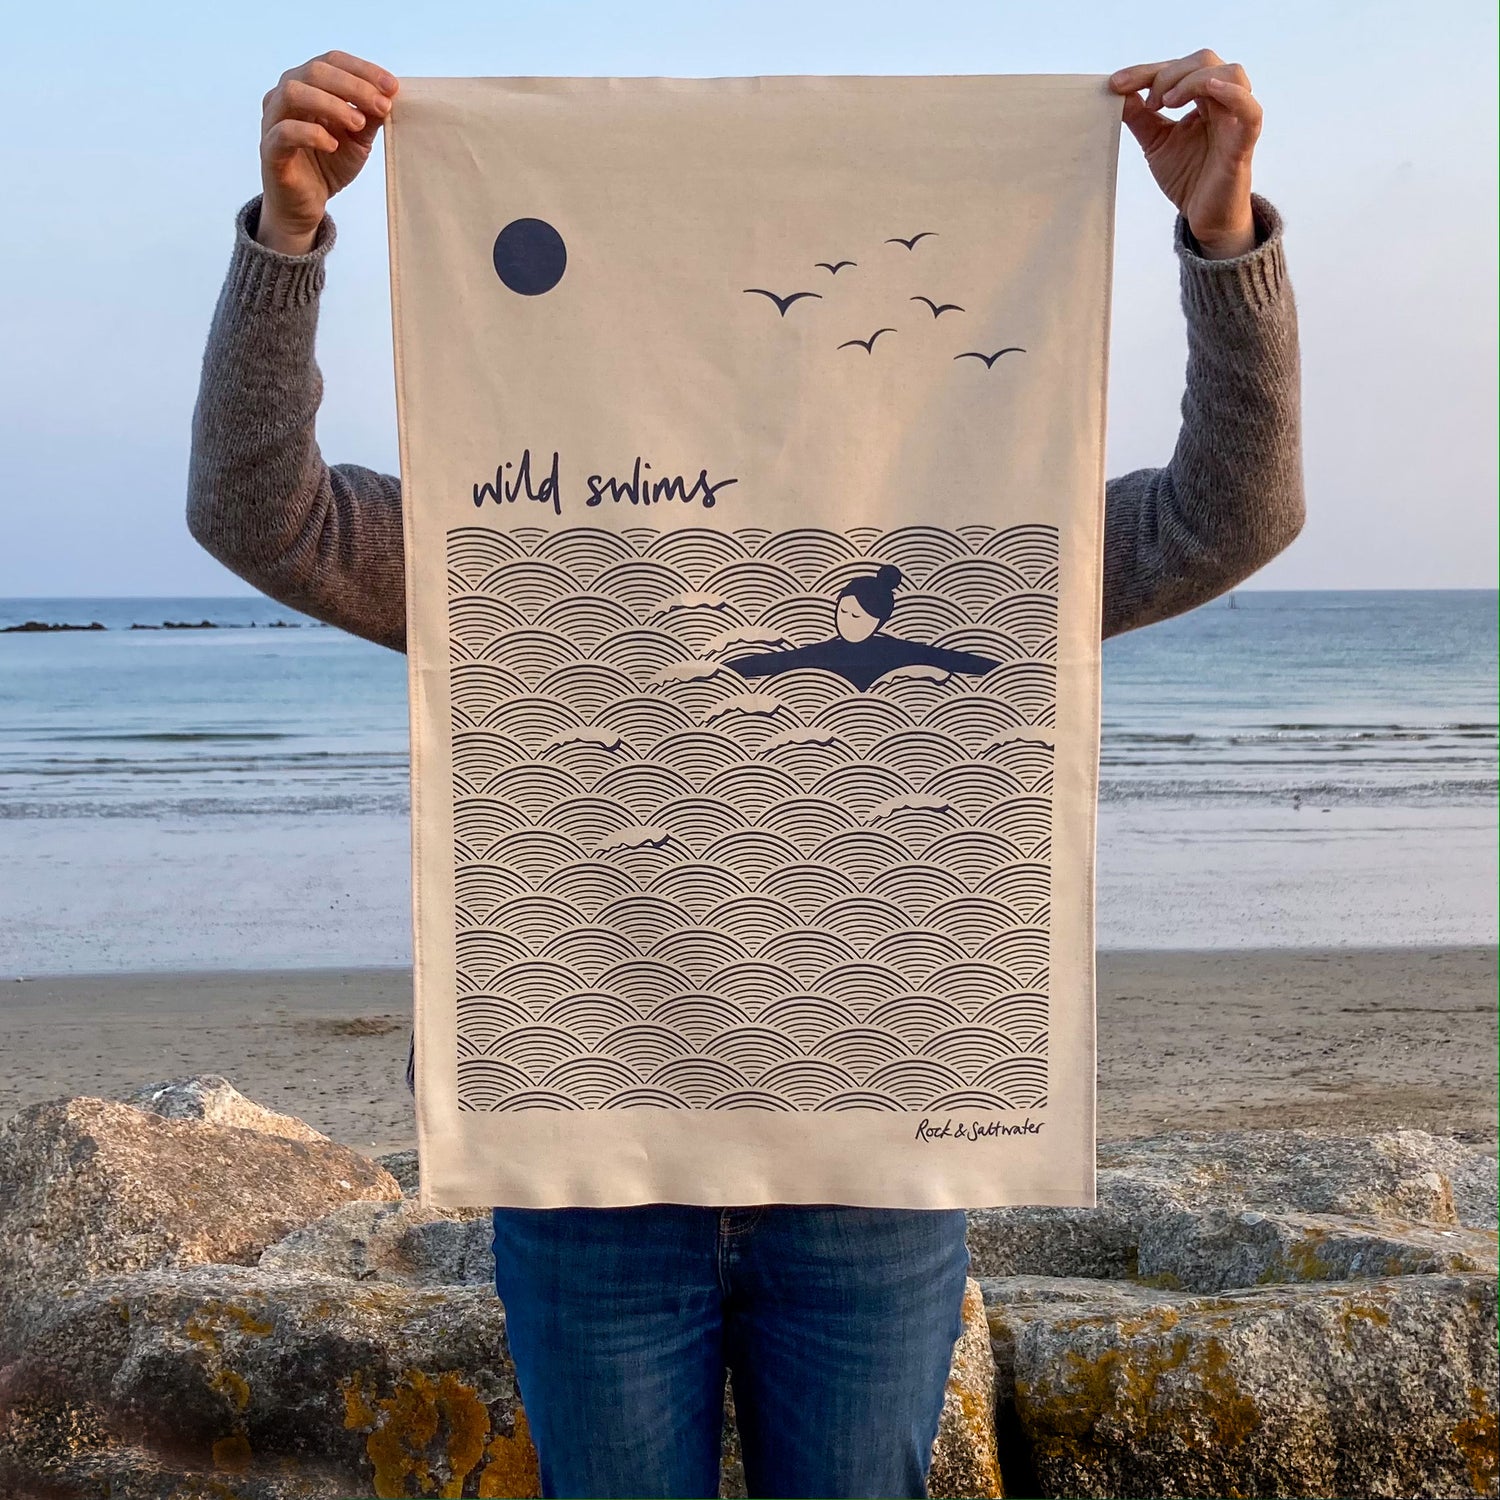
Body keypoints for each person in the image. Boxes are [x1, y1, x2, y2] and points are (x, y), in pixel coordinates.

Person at [186, 47, 1303, 1500]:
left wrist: (1224, 244)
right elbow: (252, 509)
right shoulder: (505, 541)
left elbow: (1234, 513)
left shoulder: (974, 534)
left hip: (871, 1159)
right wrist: (288, 242)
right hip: (586, 1162)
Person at [726, 564, 1001, 690]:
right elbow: (778, 661)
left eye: (856, 616)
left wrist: (999, 670)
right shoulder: (824, 652)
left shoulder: (895, 651)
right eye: (842, 611)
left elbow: (945, 658)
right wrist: (726, 671)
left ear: (877, 622)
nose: (845, 620)